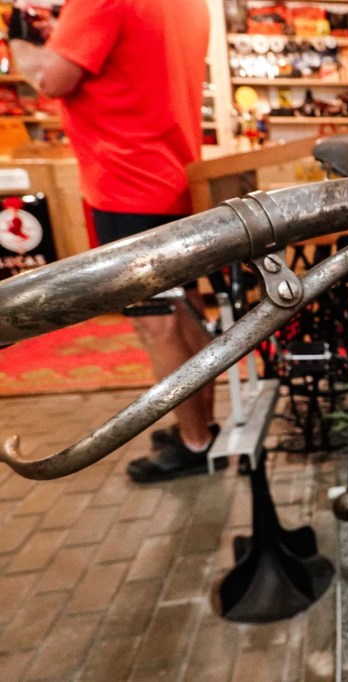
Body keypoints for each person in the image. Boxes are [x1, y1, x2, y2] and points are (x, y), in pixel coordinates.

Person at [11, 0, 218, 483]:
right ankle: (202, 427)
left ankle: (194, 443)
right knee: (184, 307)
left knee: (157, 323)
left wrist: (19, 37)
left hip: (128, 181)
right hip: (173, 172)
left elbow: (50, 78)